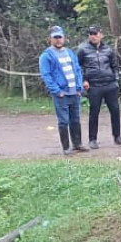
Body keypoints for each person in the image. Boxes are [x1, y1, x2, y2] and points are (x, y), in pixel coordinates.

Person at [38, 26, 88, 155]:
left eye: (60, 37)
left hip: (74, 93)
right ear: (50, 39)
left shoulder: (70, 52)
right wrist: (57, 91)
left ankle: (77, 144)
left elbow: (77, 70)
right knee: (64, 121)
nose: (58, 40)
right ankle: (66, 147)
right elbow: (46, 75)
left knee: (75, 120)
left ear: (64, 38)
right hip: (62, 94)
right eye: (55, 37)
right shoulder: (46, 56)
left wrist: (79, 87)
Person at [76, 25, 121, 148]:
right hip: (94, 85)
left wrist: (116, 81)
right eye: (91, 34)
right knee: (94, 112)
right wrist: (83, 80)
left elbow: (115, 66)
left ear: (101, 35)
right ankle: (92, 139)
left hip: (110, 84)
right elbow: (77, 67)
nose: (93, 36)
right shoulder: (82, 49)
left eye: (95, 33)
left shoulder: (108, 49)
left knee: (115, 110)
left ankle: (117, 136)